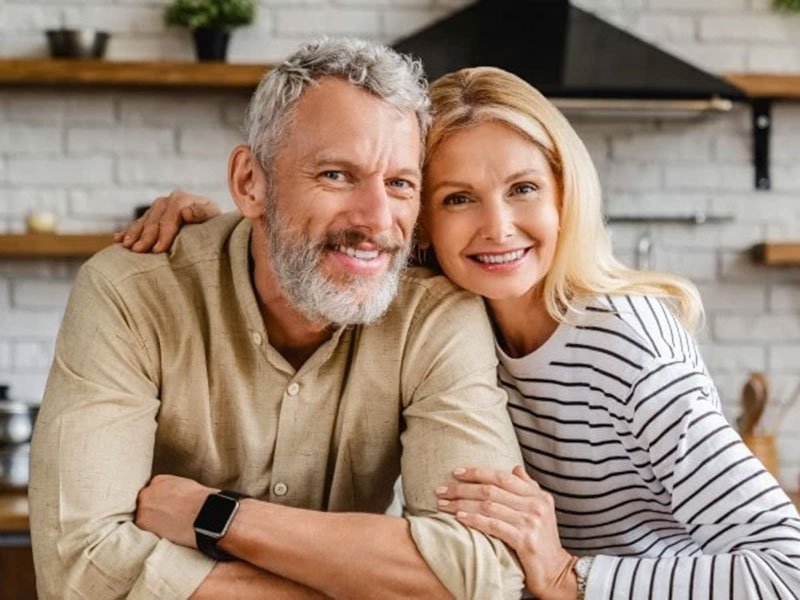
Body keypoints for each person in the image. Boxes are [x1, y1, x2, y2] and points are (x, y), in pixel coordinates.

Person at [134, 67, 800, 599]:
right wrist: (218, 224)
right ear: (421, 221)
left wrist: (576, 577)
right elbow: (336, 232)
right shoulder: (455, 309)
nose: (498, 227)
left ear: (566, 194)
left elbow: (786, 568)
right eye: (457, 198)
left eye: (523, 188)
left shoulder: (627, 346)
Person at [29, 39, 529, 600]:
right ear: (250, 183)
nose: (376, 219)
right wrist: (368, 584)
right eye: (337, 175)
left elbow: (485, 574)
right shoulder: (132, 294)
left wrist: (217, 517)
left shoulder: (434, 314)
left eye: (399, 183)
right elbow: (80, 571)